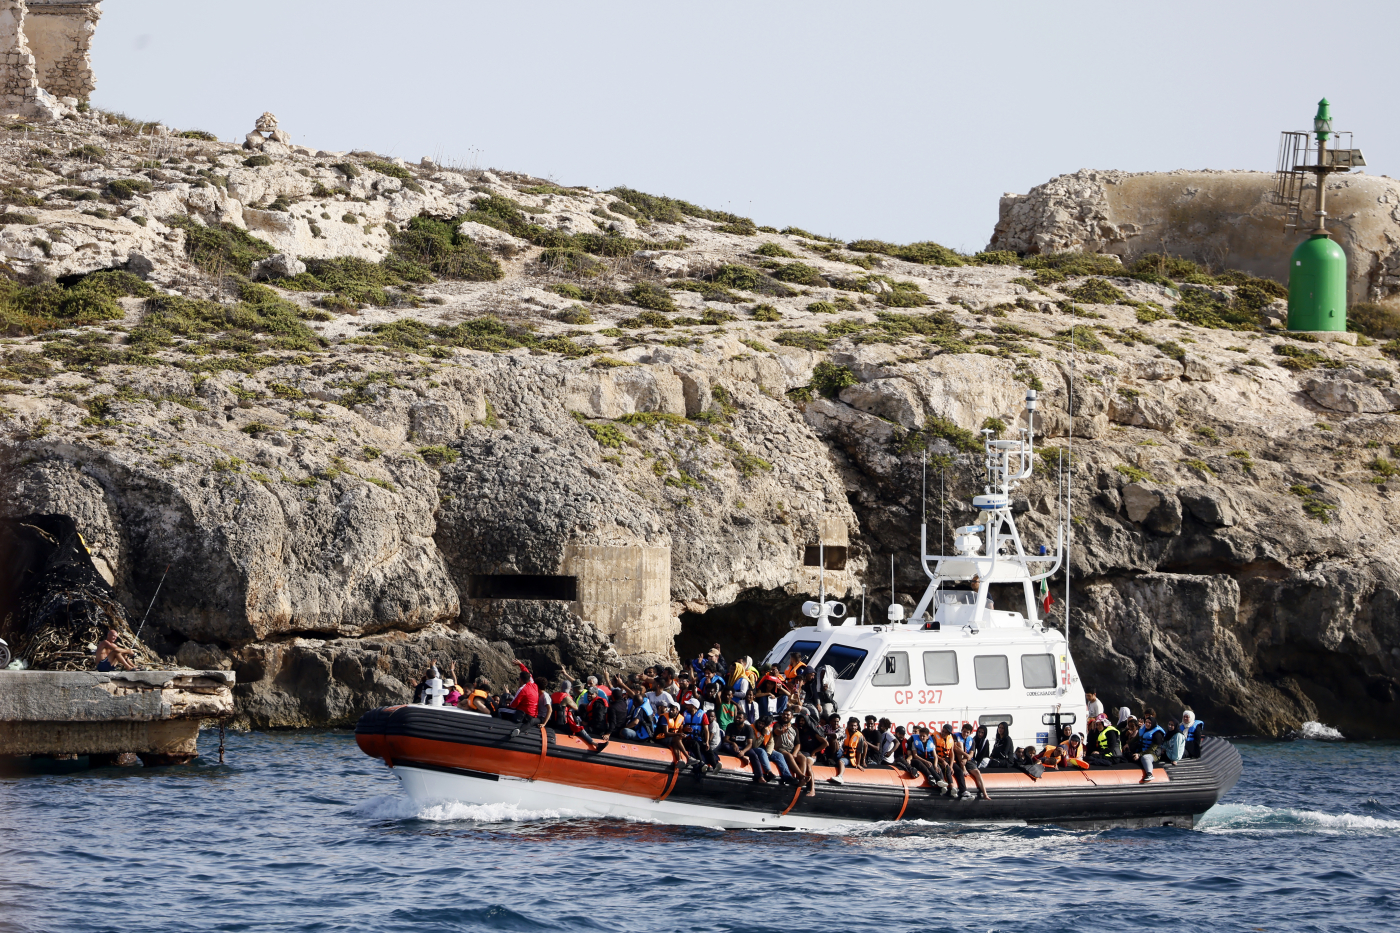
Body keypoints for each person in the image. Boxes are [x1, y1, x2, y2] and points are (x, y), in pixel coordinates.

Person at [502, 661, 541, 737]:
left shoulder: (522, 689)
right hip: (533, 715)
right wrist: (520, 664)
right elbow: (527, 673)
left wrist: (508, 704)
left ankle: (499, 727)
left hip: (524, 715)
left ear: (520, 679)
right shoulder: (534, 685)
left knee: (500, 709)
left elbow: (513, 705)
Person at [903, 726, 946, 792]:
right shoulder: (915, 742)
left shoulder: (930, 742)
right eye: (920, 736)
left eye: (923, 736)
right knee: (929, 765)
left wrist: (935, 765)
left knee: (937, 767)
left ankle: (942, 783)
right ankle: (939, 780)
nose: (922, 737)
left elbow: (935, 756)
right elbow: (915, 755)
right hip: (920, 759)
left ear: (927, 736)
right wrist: (926, 761)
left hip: (928, 759)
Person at [682, 697, 718, 772]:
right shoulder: (684, 714)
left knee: (706, 746)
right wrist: (684, 729)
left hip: (698, 738)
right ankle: (701, 762)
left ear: (693, 706)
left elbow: (706, 730)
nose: (686, 706)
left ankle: (715, 765)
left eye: (688, 705)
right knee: (695, 744)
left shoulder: (702, 715)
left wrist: (707, 742)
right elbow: (680, 727)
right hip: (687, 738)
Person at [960, 723, 992, 799]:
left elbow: (973, 753)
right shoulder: (958, 739)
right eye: (964, 731)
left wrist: (967, 758)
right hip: (961, 759)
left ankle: (985, 793)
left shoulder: (974, 741)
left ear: (970, 733)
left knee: (977, 772)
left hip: (971, 759)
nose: (965, 734)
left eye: (967, 732)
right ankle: (963, 769)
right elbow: (957, 750)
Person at [1131, 714, 1166, 783]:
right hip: (1143, 751)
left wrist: (1139, 754)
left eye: (1149, 723)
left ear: (1153, 724)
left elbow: (1151, 750)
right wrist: (1127, 745)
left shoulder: (1157, 734)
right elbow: (1136, 738)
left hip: (1154, 754)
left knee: (1145, 757)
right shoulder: (1143, 729)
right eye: (1146, 722)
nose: (1147, 724)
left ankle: (1149, 774)